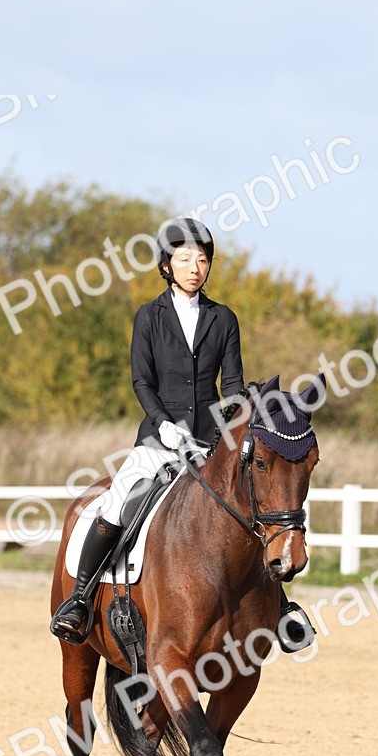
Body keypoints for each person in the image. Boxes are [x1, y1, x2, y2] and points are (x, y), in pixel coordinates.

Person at [51, 216, 245, 641]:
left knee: (251, 504)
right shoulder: (148, 316)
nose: (196, 267)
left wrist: (236, 415)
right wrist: (163, 424)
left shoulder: (223, 318)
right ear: (166, 265)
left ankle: (279, 607)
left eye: (203, 259)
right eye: (185, 259)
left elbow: (230, 384)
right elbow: (142, 381)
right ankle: (80, 599)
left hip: (211, 442)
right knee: (119, 502)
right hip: (160, 440)